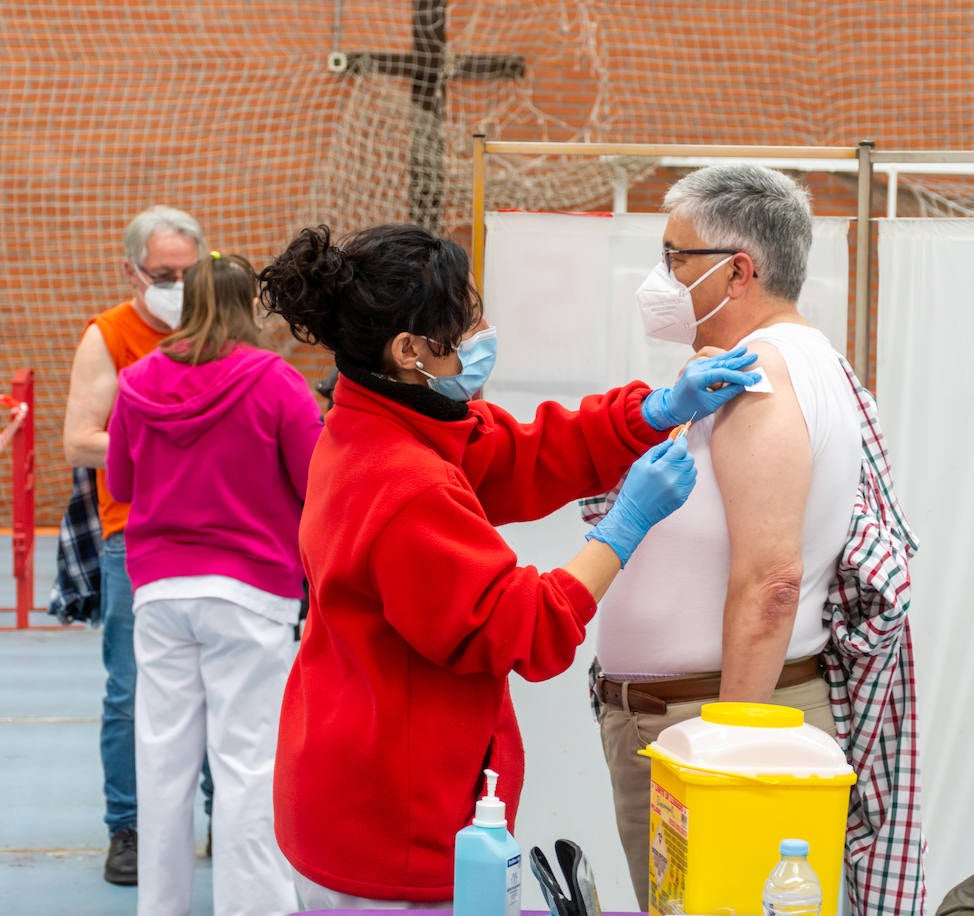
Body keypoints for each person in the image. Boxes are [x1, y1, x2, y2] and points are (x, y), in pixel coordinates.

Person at [260, 224, 760, 909]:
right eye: (460, 327)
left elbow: (514, 454)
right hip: (391, 829)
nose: (479, 334)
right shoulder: (406, 485)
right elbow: (523, 627)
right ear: (409, 350)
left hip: (354, 786)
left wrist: (651, 410)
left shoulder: (378, 419)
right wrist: (625, 526)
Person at [585, 164, 924, 916]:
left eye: (676, 258)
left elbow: (772, 581)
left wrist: (730, 758)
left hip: (713, 722)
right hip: (688, 720)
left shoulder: (765, 374)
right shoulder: (775, 365)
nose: (660, 278)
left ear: (739, 271)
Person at [106, 251, 321, 915]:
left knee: (163, 760)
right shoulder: (277, 382)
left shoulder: (137, 381)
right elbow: (317, 482)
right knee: (247, 762)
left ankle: (160, 906)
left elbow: (118, 483)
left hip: (162, 590)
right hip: (250, 593)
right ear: (251, 305)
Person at [61, 205, 212, 885]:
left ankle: (228, 812)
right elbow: (78, 440)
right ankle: (128, 827)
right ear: (132, 271)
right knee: (130, 689)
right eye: (163, 274)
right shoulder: (110, 336)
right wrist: (169, 443)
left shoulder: (215, 332)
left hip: (216, 534)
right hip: (136, 531)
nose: (176, 285)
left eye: (188, 273)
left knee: (221, 686)